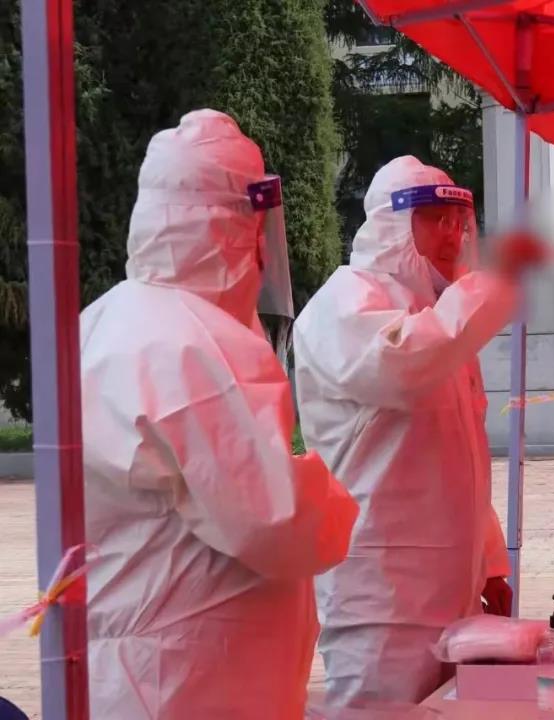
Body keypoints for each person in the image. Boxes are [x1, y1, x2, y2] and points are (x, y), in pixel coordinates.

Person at [81, 109, 359, 720]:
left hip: (135, 666)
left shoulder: (104, 321)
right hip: (196, 677)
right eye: (256, 229)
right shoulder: (197, 344)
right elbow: (276, 523)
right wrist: (336, 499)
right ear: (229, 226)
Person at [292, 156, 540, 705]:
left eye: (457, 221)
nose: (451, 235)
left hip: (452, 589)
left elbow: (462, 458)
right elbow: (402, 364)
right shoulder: (345, 303)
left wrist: (488, 564)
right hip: (380, 598)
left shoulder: (441, 318)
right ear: (392, 224)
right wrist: (495, 284)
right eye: (433, 219)